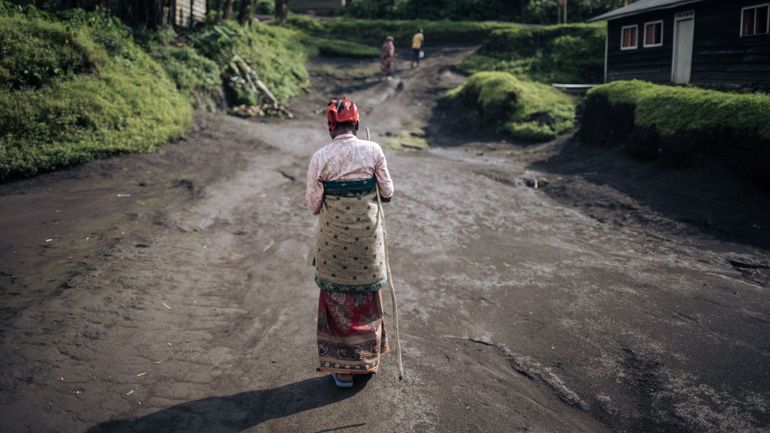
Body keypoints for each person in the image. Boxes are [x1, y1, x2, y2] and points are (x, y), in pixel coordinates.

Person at [305, 96, 395, 388]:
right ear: (357, 124)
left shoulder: (320, 157)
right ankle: (367, 362)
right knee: (366, 298)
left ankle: (343, 370)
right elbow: (388, 192)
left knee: (337, 300)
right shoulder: (373, 150)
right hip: (368, 246)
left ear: (330, 128)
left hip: (333, 247)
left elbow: (313, 206)